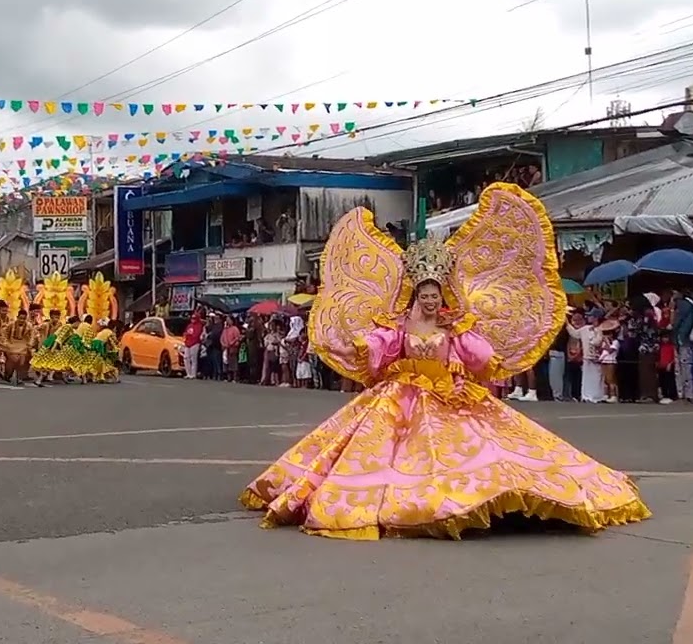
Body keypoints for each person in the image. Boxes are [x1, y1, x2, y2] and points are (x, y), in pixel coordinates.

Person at [241, 183, 649, 539]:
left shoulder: (456, 325)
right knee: (388, 454)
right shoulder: (399, 324)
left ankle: (488, 496)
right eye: (424, 296)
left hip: (451, 395)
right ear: (416, 296)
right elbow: (382, 343)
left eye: (435, 295)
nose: (430, 301)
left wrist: (474, 343)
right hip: (400, 397)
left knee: (484, 451)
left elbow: (480, 355)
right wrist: (365, 343)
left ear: (442, 296)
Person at [598, 319, 620, 403]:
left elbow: (610, 350)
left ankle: (613, 395)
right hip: (604, 361)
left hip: (611, 361)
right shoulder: (604, 342)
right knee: (605, 379)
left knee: (610, 379)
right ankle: (606, 394)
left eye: (608, 334)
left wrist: (607, 342)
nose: (607, 335)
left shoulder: (615, 342)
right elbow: (601, 349)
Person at [182, 312, 202, 380]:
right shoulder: (189, 325)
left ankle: (193, 374)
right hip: (187, 343)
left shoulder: (199, 326)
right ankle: (188, 373)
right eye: (192, 318)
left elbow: (197, 335)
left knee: (193, 359)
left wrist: (189, 335)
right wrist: (186, 337)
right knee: (186, 358)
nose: (193, 319)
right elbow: (185, 333)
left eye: (194, 318)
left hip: (195, 343)